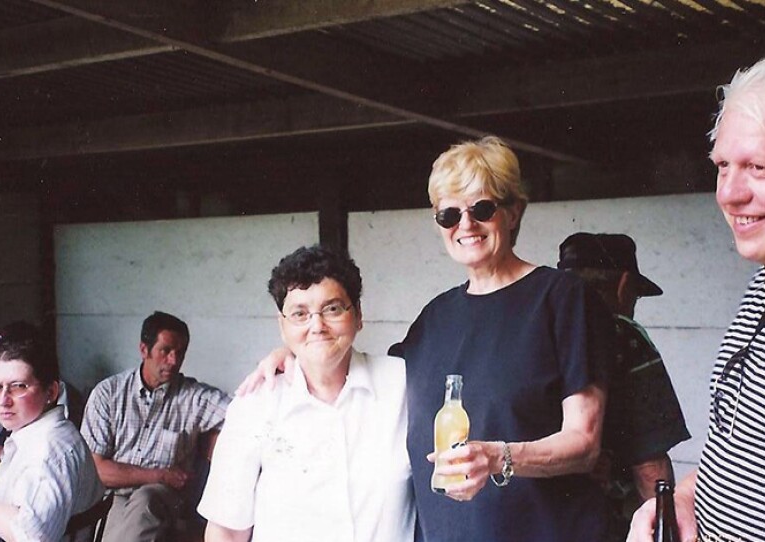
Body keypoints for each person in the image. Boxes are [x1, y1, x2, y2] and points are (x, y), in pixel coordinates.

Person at [243, 136, 615, 541]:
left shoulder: (561, 299)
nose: (466, 225)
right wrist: (299, 352)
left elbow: (584, 443)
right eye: (449, 215)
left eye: (482, 209)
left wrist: (497, 457)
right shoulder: (434, 318)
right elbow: (360, 373)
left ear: (513, 212)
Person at [628, 54, 765, 542]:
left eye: (759, 168)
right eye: (723, 165)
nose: (729, 194)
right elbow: (747, 446)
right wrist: (681, 501)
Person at [198, 245, 413, 542]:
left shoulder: (402, 384)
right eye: (300, 313)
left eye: (333, 309)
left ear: (358, 315)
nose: (317, 326)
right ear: (282, 326)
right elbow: (227, 530)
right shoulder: (255, 404)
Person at [556, 232, 690, 541]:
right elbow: (649, 467)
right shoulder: (624, 337)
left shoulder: (535, 329)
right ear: (624, 285)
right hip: (603, 526)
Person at [80, 311, 230, 542]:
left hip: (167, 498)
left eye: (180, 353)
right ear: (144, 350)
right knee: (119, 525)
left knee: (146, 501)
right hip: (117, 495)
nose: (174, 361)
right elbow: (97, 470)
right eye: (166, 351)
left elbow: (245, 413)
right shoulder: (109, 393)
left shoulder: (194, 397)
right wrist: (160, 474)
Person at [0, 322, 103, 542]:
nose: (4, 401)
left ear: (51, 391)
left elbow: (32, 536)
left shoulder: (48, 452)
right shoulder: (40, 432)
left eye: (18, 387)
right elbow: (22, 482)